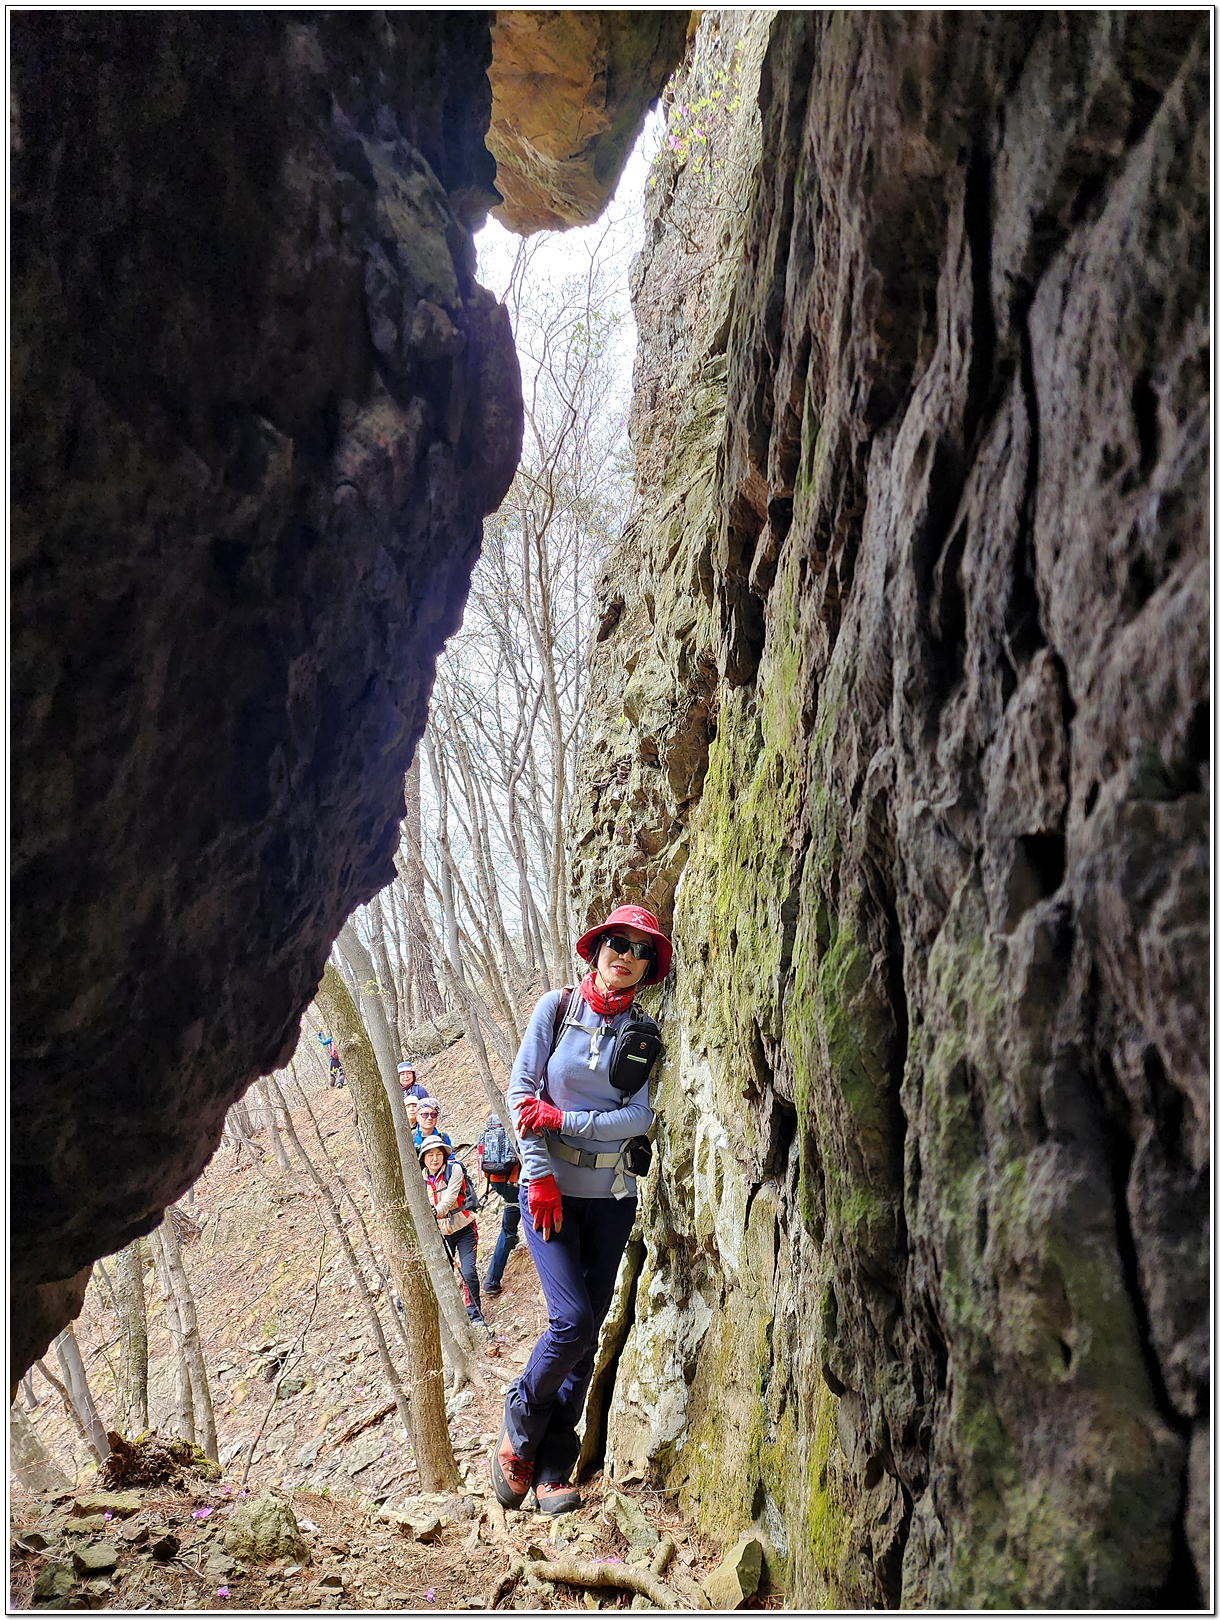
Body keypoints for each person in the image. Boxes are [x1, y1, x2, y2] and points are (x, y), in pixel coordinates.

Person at [492, 905, 671, 1517]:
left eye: (641, 951)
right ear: (597, 949)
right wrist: (538, 1176)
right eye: (617, 942)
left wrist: (566, 1119)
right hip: (547, 1193)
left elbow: (638, 1117)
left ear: (648, 969)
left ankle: (551, 1468)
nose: (627, 956)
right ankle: (519, 1427)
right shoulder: (557, 1009)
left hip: (611, 1199)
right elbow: (521, 1095)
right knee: (569, 1321)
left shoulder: (641, 1035)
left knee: (587, 1335)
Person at [419, 1134, 487, 1331]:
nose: (435, 1159)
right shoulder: (419, 1180)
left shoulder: (454, 1169)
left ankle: (475, 1315)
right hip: (440, 1234)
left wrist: (436, 1211)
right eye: (430, 1155)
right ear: (423, 1158)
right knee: (443, 1274)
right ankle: (451, 1317)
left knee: (468, 1272)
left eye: (438, 1154)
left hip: (465, 1229)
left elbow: (450, 1197)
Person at [477, 1112, 521, 1297]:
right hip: (515, 1181)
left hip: (497, 1181)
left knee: (510, 1223)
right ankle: (491, 1280)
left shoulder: (490, 1128)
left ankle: (492, 1281)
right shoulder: (515, 1123)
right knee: (509, 1229)